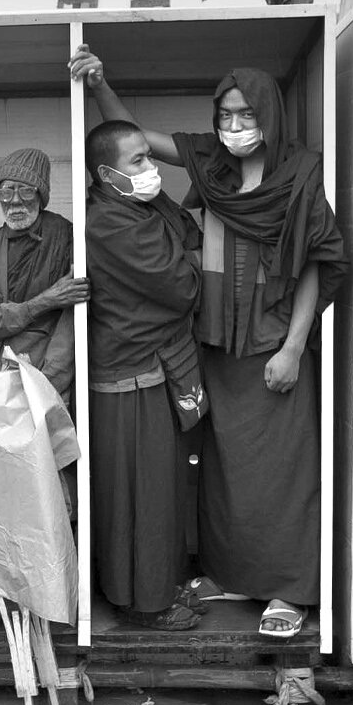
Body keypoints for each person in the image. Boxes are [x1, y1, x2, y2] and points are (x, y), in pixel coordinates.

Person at [69, 45, 347, 639]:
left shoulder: (299, 176)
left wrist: (295, 347)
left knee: (282, 473)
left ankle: (289, 591)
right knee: (222, 475)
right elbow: (132, 138)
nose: (235, 127)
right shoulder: (210, 167)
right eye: (225, 115)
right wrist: (98, 83)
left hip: (271, 346)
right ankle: (233, 572)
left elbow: (319, 265)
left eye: (247, 115)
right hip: (211, 348)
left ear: (269, 115)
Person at [0, 146, 90, 638]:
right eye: (3, 192)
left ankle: (50, 598)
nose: (14, 200)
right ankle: (0, 599)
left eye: (24, 190)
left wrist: (49, 381)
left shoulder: (68, 238)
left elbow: (75, 314)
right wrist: (44, 300)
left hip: (56, 383)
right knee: (0, 498)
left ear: (43, 195)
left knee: (54, 495)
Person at [84, 120, 207, 630]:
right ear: (106, 174)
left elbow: (188, 231)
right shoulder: (109, 223)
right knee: (140, 495)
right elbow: (182, 287)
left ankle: (158, 585)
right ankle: (144, 603)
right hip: (130, 378)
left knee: (163, 488)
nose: (151, 170)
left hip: (155, 368)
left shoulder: (134, 205)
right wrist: (193, 264)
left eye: (149, 158)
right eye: (138, 161)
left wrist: (187, 251)